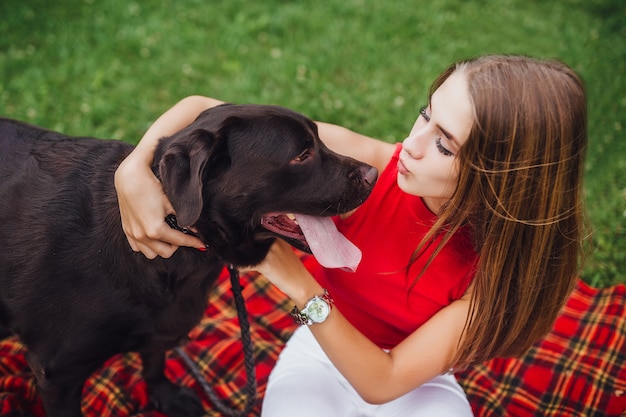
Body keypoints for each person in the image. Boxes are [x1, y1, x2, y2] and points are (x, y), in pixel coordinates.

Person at [114, 55, 588, 416]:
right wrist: (131, 171)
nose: (413, 145)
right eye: (426, 114)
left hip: (414, 382)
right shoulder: (373, 168)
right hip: (318, 350)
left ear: (503, 176)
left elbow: (385, 381)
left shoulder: (498, 274)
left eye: (445, 143)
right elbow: (204, 110)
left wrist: (300, 286)